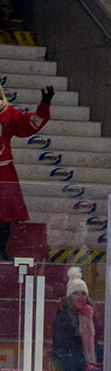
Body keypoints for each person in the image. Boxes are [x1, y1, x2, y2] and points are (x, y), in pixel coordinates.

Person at [0, 84, 54, 250]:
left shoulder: (7, 113)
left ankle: (0, 252)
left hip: (3, 172)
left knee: (4, 217)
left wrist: (44, 105)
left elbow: (29, 124)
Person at [49, 267, 103, 371]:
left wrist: (101, 361)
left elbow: (93, 345)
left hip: (85, 363)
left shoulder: (88, 315)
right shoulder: (63, 318)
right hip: (68, 363)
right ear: (69, 296)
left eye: (83, 293)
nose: (80, 296)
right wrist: (85, 366)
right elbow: (66, 348)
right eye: (76, 293)